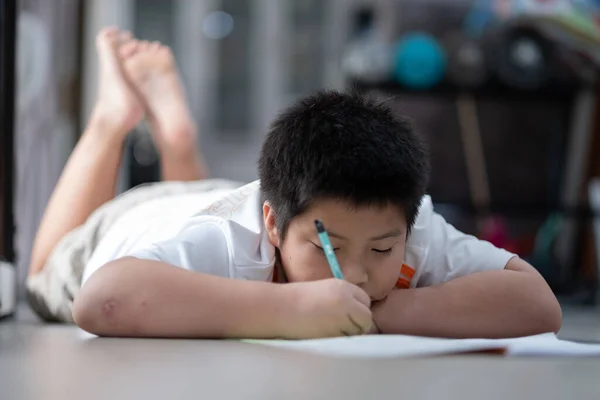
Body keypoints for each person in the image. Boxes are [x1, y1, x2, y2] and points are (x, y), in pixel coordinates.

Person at [27, 28, 562, 339]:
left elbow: (538, 306)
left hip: (210, 196)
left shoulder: (406, 220)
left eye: (382, 248)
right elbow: (101, 301)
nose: (357, 272)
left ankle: (177, 137)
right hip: (130, 223)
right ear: (274, 226)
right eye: (327, 245)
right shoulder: (227, 241)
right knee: (36, 276)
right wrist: (291, 309)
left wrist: (388, 312)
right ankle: (112, 119)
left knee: (197, 230)